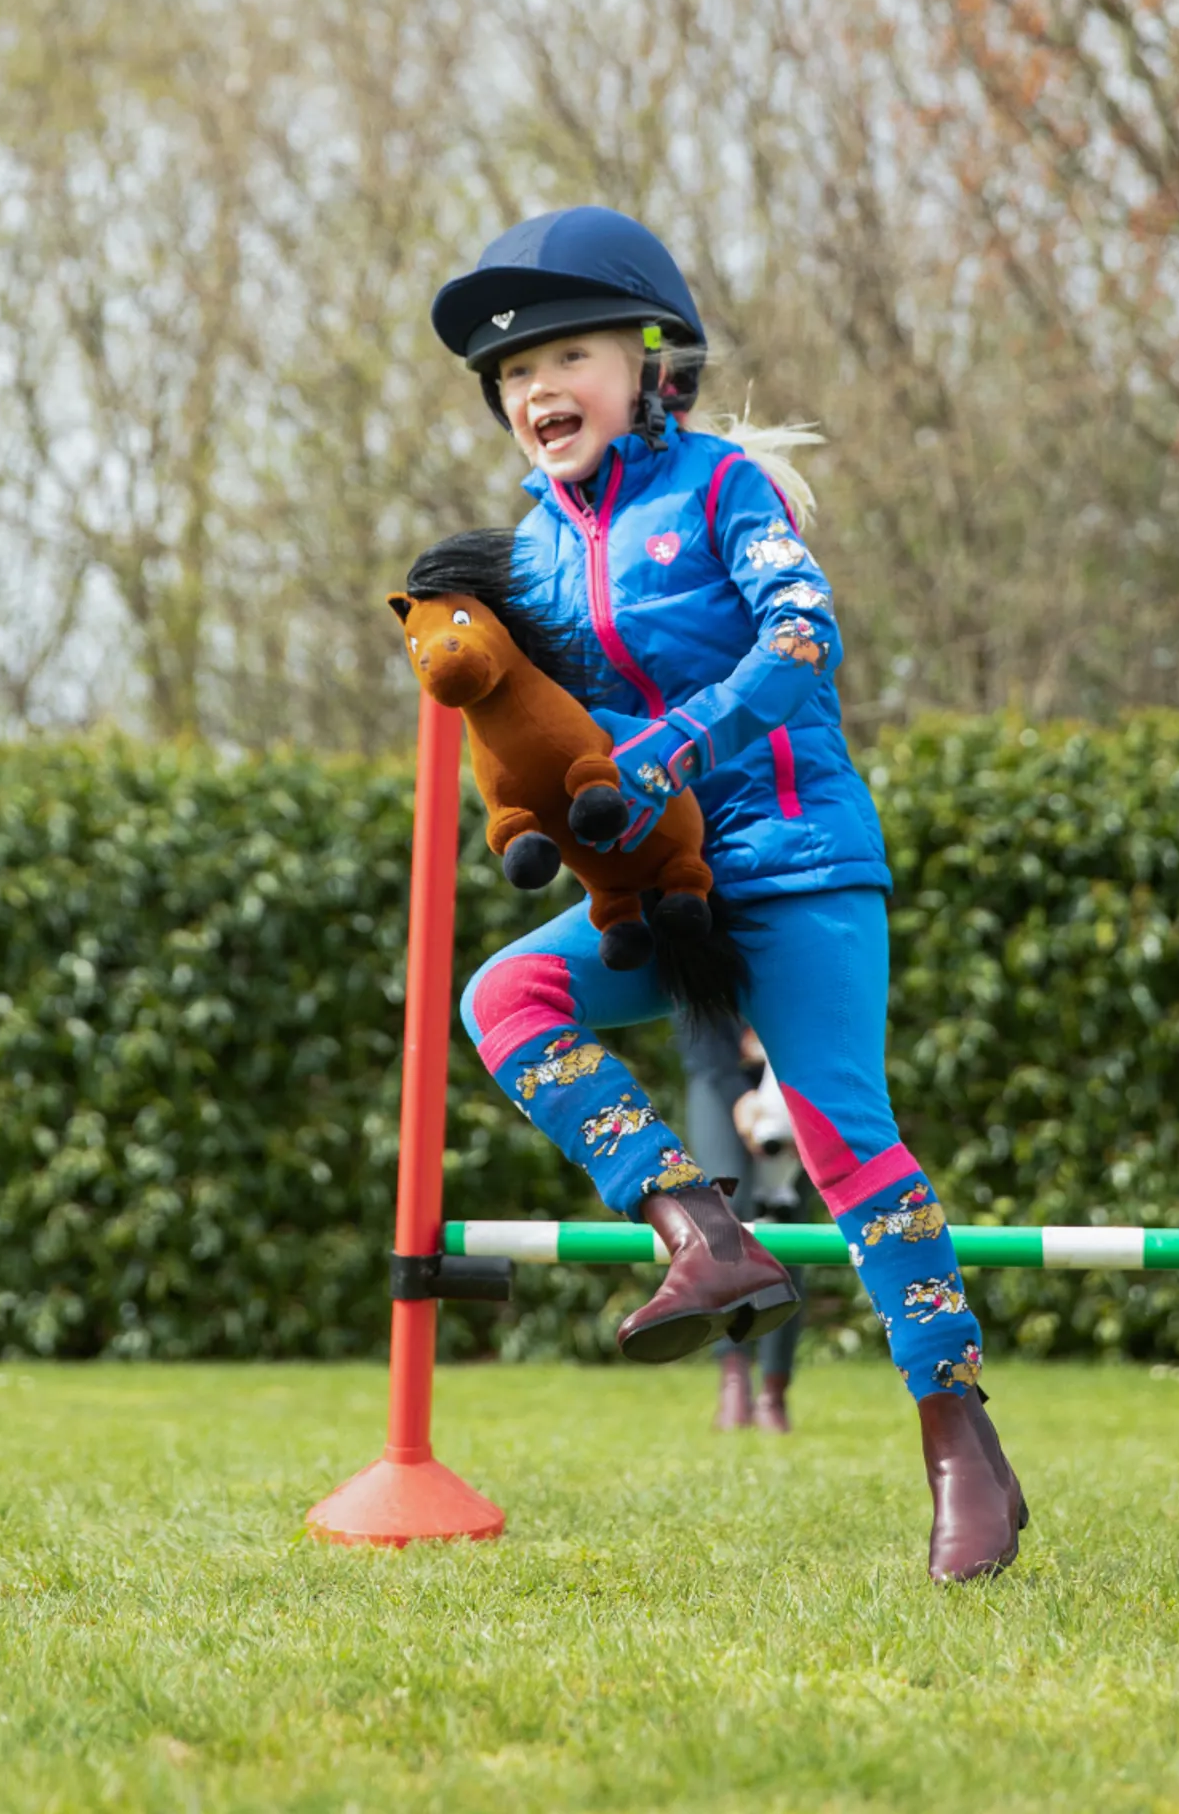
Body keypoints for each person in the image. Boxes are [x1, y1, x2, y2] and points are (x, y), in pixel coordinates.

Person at [428, 206, 1027, 1581]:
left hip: (800, 862)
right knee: (505, 993)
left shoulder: (719, 488)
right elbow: (542, 721)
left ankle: (959, 1439)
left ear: (652, 364)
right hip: (665, 889)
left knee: (839, 1136)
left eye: (565, 357)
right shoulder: (531, 547)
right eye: (512, 374)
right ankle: (703, 1234)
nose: (535, 390)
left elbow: (804, 638)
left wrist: (667, 751)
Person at [676, 1018, 806, 1433]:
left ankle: (774, 1390)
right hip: (719, 1074)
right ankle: (733, 1378)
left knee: (785, 1225)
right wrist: (739, 1096)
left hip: (797, 1077)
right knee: (722, 1212)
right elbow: (695, 1023)